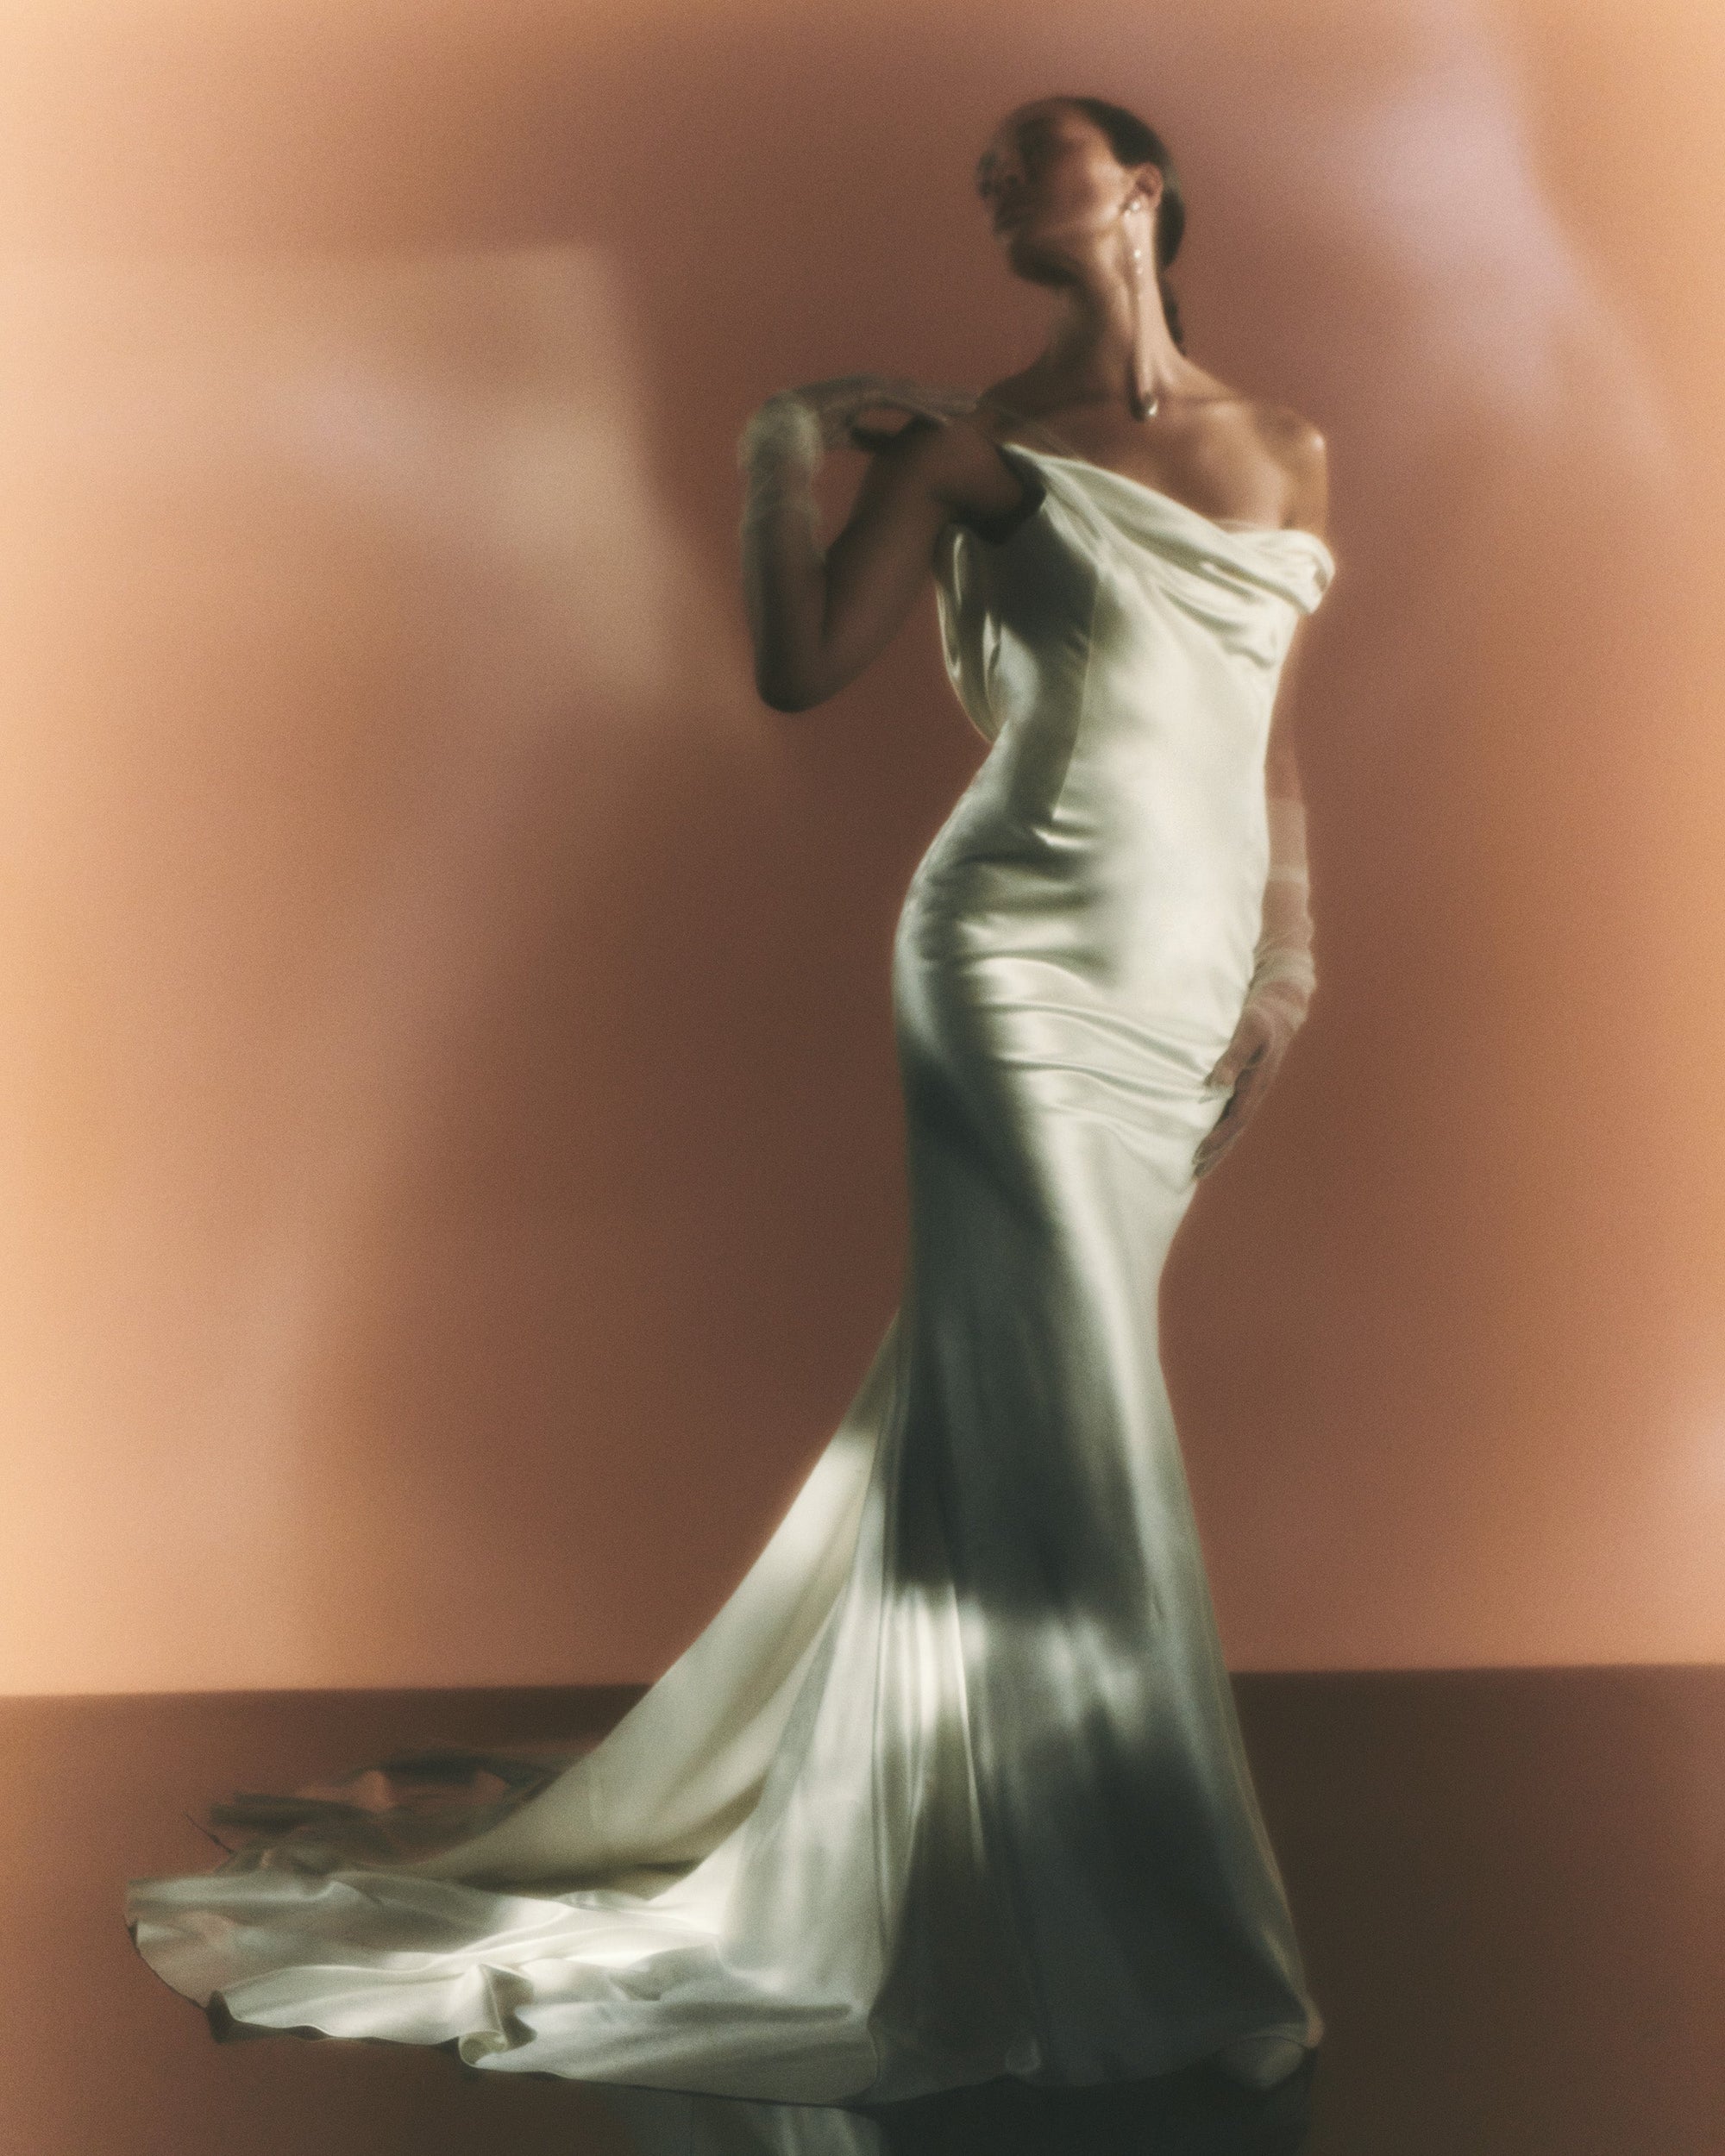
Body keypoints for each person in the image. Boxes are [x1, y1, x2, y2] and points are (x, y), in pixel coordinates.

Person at [126, 93, 1335, 2109]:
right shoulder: (967, 449)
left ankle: (978, 1844)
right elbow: (795, 664)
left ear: (1138, 188)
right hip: (1009, 962)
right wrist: (780, 457)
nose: (992, 172)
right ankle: (1133, 1910)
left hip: (1182, 973)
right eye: (982, 167)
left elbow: (1263, 739)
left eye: (1032, 148)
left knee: (1004, 1406)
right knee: (1077, 1404)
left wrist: (1287, 960)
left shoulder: (1284, 446)